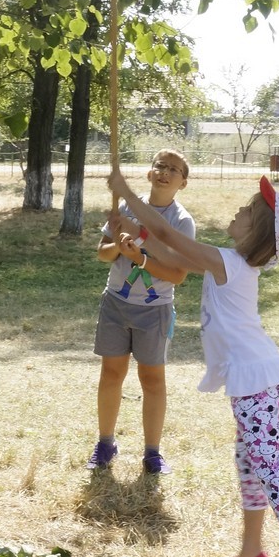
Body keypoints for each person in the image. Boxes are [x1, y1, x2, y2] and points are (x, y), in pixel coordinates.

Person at [108, 167, 279, 557]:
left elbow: (168, 233)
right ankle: (251, 552)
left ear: (259, 234)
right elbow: (172, 253)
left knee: (271, 472)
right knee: (250, 465)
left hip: (256, 384)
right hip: (255, 383)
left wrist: (126, 192)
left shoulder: (228, 261)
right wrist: (134, 231)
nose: (238, 210)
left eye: (247, 210)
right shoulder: (228, 261)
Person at [87, 149, 195, 476]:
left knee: (152, 379)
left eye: (174, 169)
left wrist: (140, 258)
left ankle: (152, 452)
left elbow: (177, 275)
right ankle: (105, 443)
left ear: (183, 183)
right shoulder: (125, 209)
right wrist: (117, 249)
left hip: (154, 310)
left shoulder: (182, 221)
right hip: (115, 305)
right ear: (149, 173)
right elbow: (103, 254)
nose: (165, 172)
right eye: (160, 166)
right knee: (111, 374)